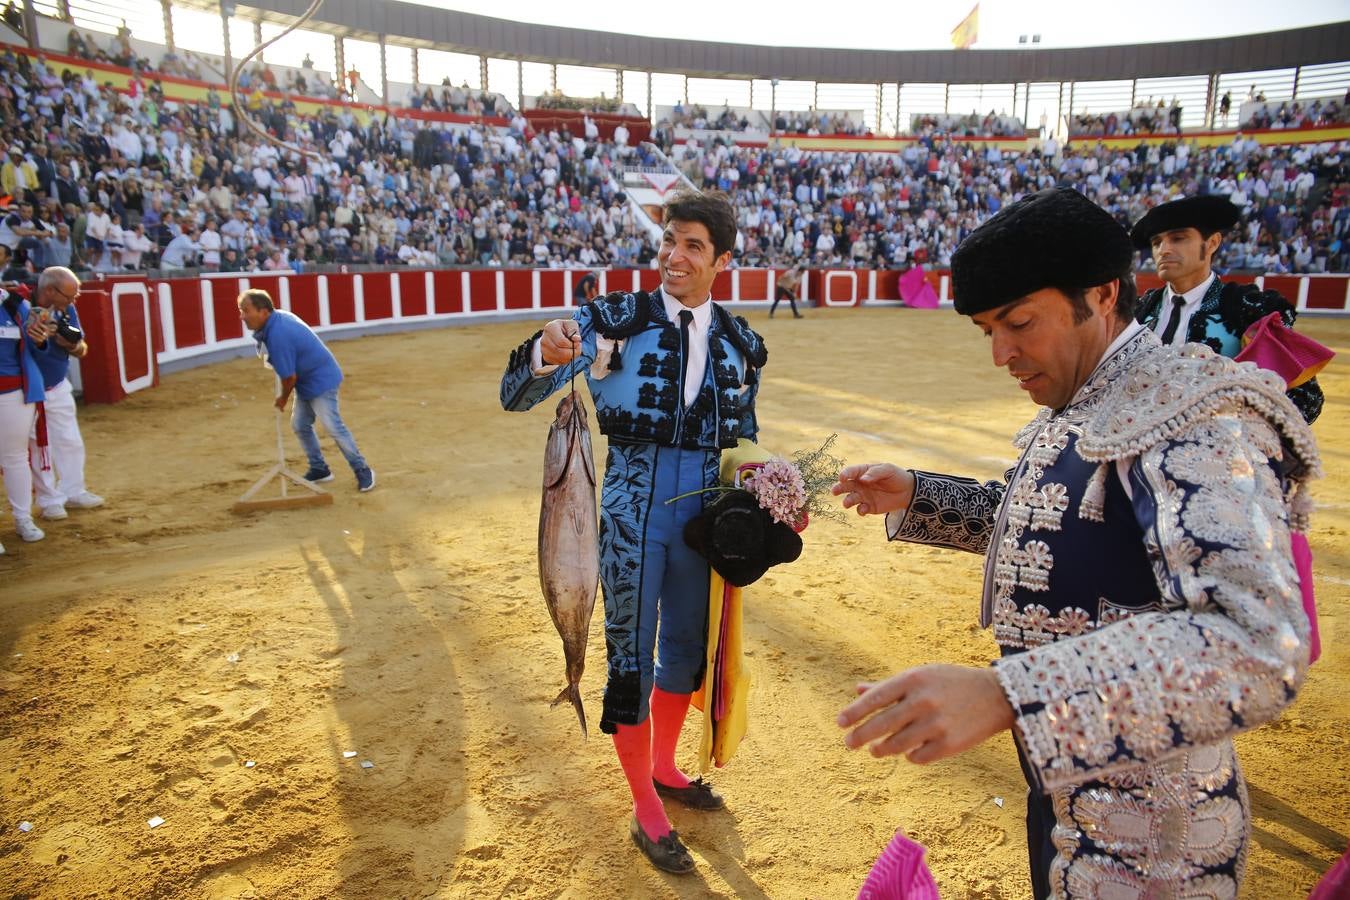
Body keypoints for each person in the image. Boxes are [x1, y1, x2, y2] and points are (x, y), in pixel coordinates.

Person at [831, 188, 1317, 899]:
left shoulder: (1194, 410)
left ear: (1102, 294)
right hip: (1063, 782)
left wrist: (1009, 694)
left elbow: (1258, 641)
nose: (1001, 354)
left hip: (1155, 831)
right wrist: (919, 495)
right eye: (987, 330)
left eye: (1019, 323)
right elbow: (1051, 524)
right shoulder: (1088, 397)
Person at [499, 191, 768, 875]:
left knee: (683, 654)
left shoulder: (740, 345)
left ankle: (664, 766)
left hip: (700, 522)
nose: (675, 256)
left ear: (722, 260)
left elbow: (740, 441)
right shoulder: (614, 321)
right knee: (630, 661)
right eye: (669, 241)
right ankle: (645, 808)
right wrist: (545, 352)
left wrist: (765, 487)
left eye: (693, 246)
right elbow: (517, 394)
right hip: (627, 516)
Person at [1131, 194, 1323, 423]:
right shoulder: (1138, 311)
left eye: (1178, 238)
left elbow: (1305, 399)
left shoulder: (1248, 309)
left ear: (1212, 243)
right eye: (1156, 243)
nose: (1163, 249)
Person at [237, 290, 375, 492]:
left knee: (333, 426)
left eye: (246, 311)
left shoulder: (277, 335)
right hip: (308, 379)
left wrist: (283, 399)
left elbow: (289, 378)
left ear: (263, 312)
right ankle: (320, 469)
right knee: (300, 424)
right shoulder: (277, 319)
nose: (242, 316)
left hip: (321, 379)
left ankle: (362, 469)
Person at [27, 267, 103, 520]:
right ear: (49, 290)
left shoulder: (66, 309)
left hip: (58, 384)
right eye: (68, 296)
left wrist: (71, 345)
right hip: (28, 390)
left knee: (69, 440)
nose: (72, 302)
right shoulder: (21, 307)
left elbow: (81, 349)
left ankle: (73, 490)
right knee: (39, 447)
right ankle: (49, 500)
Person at [1, 285, 56, 549]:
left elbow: (36, 348)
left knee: (15, 457)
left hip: (14, 392)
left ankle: (23, 518)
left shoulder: (15, 305)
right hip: (13, 390)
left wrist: (41, 339)